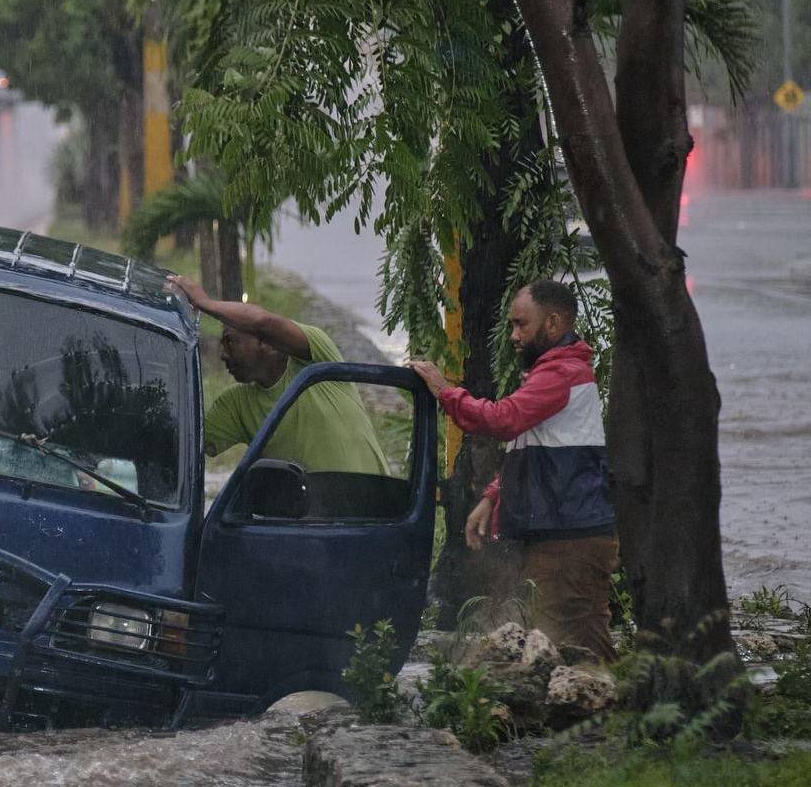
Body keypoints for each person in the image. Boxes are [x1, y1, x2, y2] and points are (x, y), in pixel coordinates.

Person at [409, 279, 618, 662]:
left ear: (553, 324)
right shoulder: (552, 373)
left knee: (581, 650)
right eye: (511, 325)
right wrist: (492, 496)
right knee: (566, 647)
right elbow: (533, 448)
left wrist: (444, 390)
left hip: (569, 540)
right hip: (561, 535)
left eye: (521, 324)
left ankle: (616, 715)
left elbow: (503, 420)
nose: (513, 335)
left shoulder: (561, 375)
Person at [168, 274, 390, 476]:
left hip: (375, 510)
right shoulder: (237, 405)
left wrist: (205, 303)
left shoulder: (317, 357)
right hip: (313, 518)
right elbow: (184, 445)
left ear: (265, 342)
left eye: (230, 342)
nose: (223, 355)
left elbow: (263, 323)